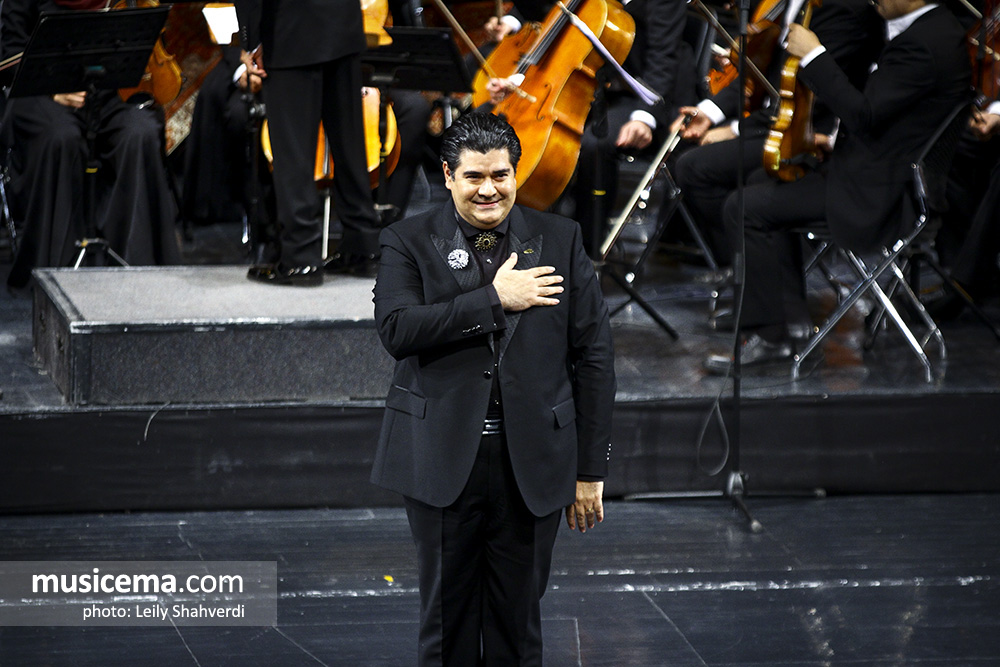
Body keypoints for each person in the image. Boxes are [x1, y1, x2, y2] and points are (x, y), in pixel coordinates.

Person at [371, 112, 616, 666]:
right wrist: (493, 299)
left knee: (518, 628)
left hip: (532, 461)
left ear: (516, 173)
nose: (489, 190)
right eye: (474, 177)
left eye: (501, 176)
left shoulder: (562, 239)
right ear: (448, 176)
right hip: (440, 457)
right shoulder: (406, 240)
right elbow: (397, 330)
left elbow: (595, 358)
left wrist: (591, 469)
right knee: (445, 627)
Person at [703, 0, 972, 371]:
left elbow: (864, 114)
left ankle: (770, 335)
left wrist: (814, 54)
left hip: (883, 196)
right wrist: (833, 141)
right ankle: (790, 322)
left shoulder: (923, 44)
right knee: (766, 179)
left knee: (746, 206)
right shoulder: (938, 30)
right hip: (885, 175)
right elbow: (895, 119)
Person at [1, 0, 182, 291]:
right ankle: (55, 271)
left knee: (141, 131)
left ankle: (137, 266)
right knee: (61, 136)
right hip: (40, 91)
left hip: (107, 90)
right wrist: (51, 87)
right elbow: (10, 54)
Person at [233, 0, 381, 285]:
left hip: (289, 27)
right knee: (350, 145)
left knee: (294, 153)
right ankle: (364, 248)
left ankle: (301, 258)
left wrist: (253, 41)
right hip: (342, 24)